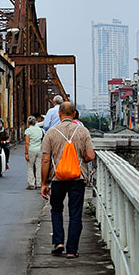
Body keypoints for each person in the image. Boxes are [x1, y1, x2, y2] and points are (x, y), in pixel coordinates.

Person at [40, 102, 96, 259]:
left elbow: (45, 160)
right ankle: (72, 250)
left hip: (57, 178)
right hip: (77, 178)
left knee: (56, 209)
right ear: (74, 114)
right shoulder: (83, 131)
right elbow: (91, 156)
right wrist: (81, 159)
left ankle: (58, 242)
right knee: (75, 213)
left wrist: (44, 183)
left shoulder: (51, 133)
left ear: (59, 114)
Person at [24, 116, 44, 190]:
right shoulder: (40, 130)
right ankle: (39, 183)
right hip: (39, 150)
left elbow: (27, 142)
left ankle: (31, 184)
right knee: (38, 166)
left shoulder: (28, 130)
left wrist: (26, 153)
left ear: (28, 122)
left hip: (31, 150)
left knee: (30, 167)